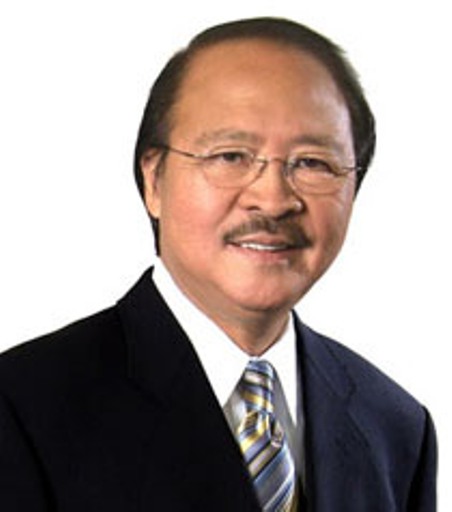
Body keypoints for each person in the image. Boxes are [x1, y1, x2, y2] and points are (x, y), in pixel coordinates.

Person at [0, 17, 436, 511]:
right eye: (231, 156)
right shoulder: (22, 409)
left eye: (313, 163)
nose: (273, 199)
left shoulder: (396, 429)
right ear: (154, 181)